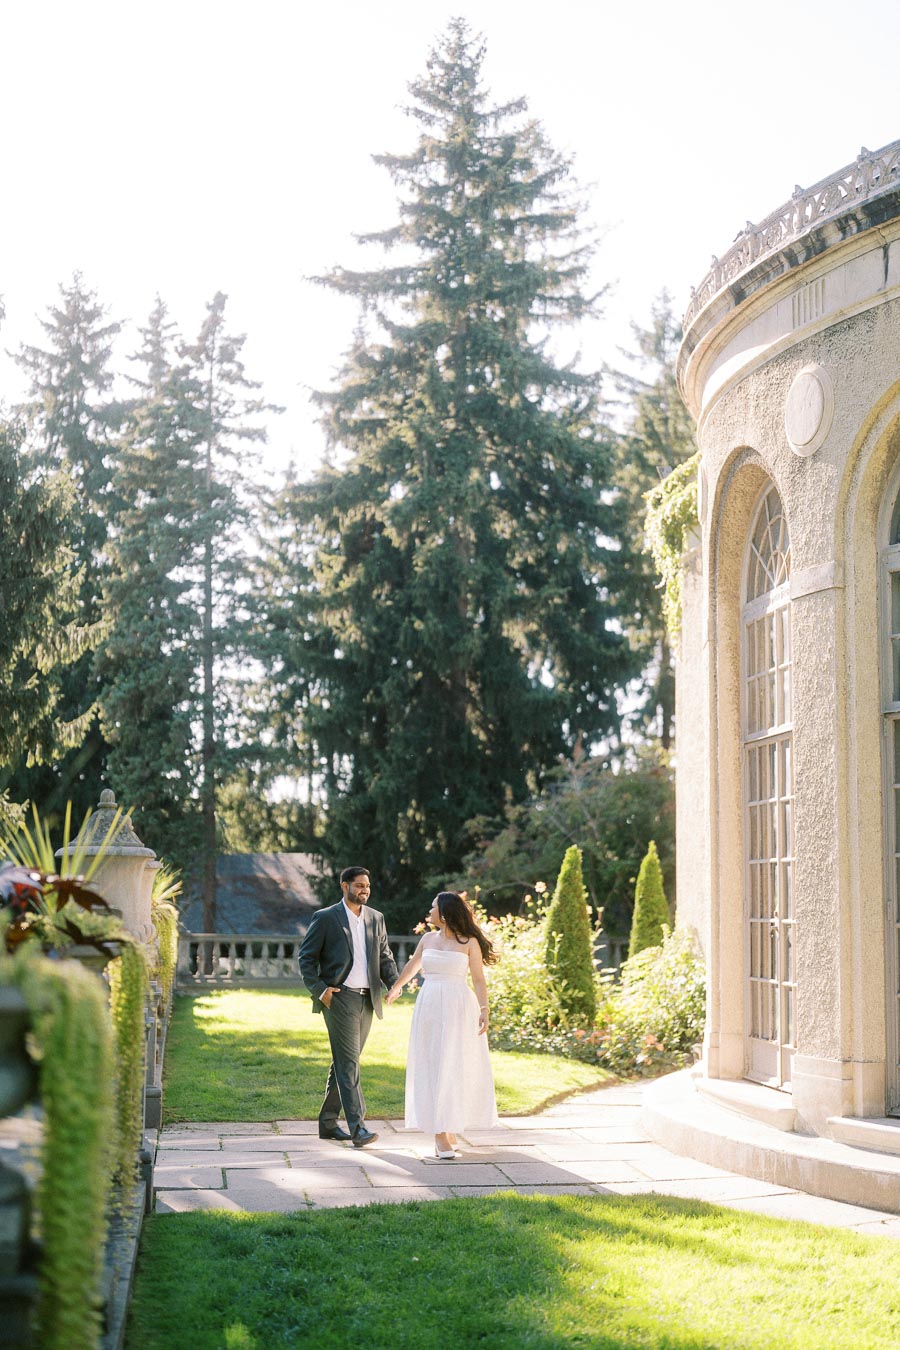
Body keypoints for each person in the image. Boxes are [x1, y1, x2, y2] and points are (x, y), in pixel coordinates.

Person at [386, 890, 498, 1158]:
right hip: (431, 1005)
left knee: (454, 1064)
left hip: (459, 1006)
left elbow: (479, 979)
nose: (430, 910)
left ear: (445, 914)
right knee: (433, 1062)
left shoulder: (469, 942)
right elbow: (413, 965)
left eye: (434, 907)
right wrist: (396, 988)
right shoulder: (427, 939)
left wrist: (484, 1009)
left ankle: (447, 1126)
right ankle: (439, 1134)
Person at [299, 866, 400, 1148]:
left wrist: (394, 982)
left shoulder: (376, 918)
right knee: (350, 1064)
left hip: (368, 999)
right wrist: (321, 991)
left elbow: (384, 956)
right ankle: (359, 1129)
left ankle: (329, 1123)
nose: (364, 890)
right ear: (344, 886)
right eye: (358, 885)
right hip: (340, 998)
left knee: (345, 1062)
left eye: (367, 885)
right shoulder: (326, 918)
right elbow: (305, 959)